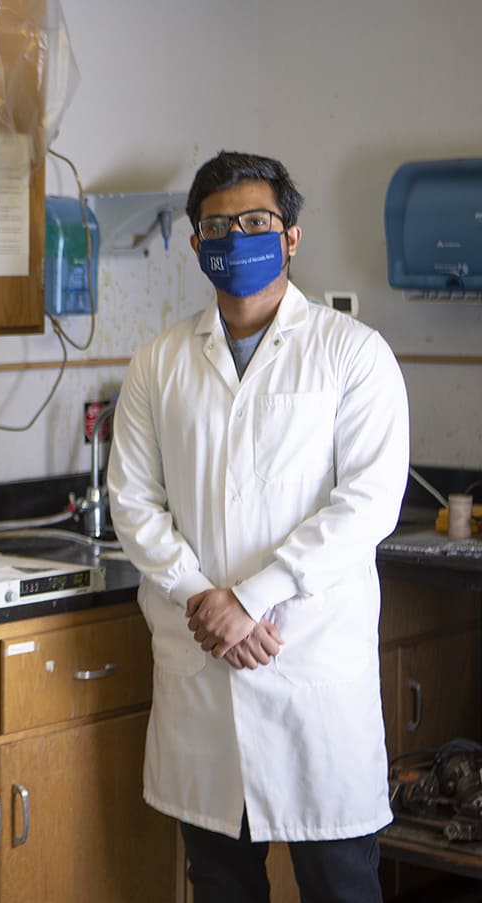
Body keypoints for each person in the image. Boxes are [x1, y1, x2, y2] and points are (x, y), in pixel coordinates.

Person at [107, 150, 409, 902]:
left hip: (307, 664)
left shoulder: (353, 354)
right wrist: (202, 596)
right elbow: (133, 503)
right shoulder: (158, 362)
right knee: (219, 883)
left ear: (292, 236)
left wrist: (251, 597)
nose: (235, 237)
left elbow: (367, 502)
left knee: (340, 884)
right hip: (203, 663)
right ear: (195, 243)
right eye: (216, 225)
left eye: (254, 222)